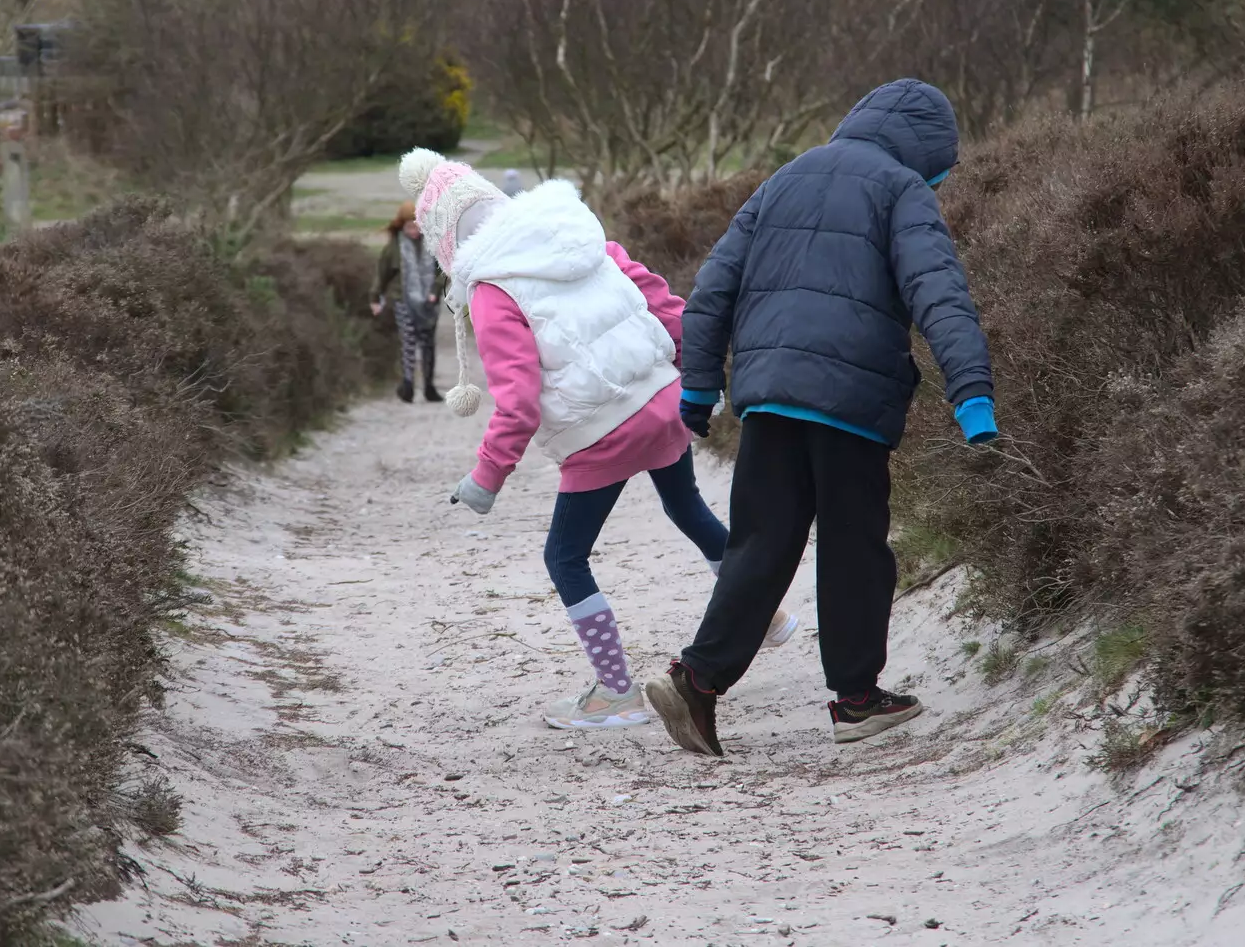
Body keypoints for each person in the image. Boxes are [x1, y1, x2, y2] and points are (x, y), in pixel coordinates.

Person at [643, 79, 999, 756]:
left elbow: (716, 283)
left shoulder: (787, 175)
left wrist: (697, 388)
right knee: (853, 547)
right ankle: (859, 700)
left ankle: (696, 680)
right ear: (927, 148)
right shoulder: (902, 189)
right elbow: (940, 293)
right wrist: (972, 393)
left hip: (770, 395)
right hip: (851, 404)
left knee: (761, 542)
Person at [396, 148, 798, 730]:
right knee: (687, 506)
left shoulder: (491, 290)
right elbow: (665, 305)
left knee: (565, 556)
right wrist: (694, 378)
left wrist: (487, 476)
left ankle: (616, 691)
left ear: (446, 242)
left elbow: (518, 399)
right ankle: (766, 613)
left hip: (600, 433)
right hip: (662, 404)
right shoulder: (582, 238)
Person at [370, 201, 449, 403]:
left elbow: (443, 271)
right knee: (408, 341)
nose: (414, 231)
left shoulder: (433, 244)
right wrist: (375, 297)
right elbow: (382, 275)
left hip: (428, 302)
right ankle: (407, 386)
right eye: (410, 227)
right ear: (401, 226)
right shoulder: (393, 248)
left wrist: (434, 291)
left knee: (428, 343)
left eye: (418, 226)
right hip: (402, 300)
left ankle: (429, 386)